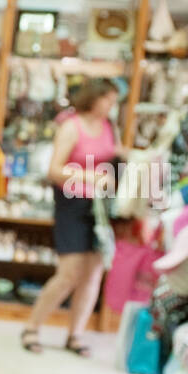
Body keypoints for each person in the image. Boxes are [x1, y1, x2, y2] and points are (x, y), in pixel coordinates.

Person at [21, 78, 121, 357]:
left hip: (101, 206)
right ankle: (32, 326)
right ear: (95, 97)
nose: (113, 106)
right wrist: (90, 176)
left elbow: (114, 157)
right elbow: (54, 170)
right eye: (109, 99)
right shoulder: (71, 126)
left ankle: (75, 334)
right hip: (72, 202)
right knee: (69, 273)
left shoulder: (109, 127)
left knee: (93, 273)